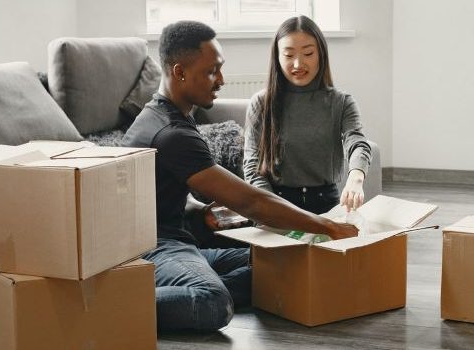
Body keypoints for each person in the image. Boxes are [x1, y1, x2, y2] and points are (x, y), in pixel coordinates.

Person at [122, 20, 358, 331]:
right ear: (179, 72)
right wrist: (326, 226)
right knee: (212, 302)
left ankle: (188, 284)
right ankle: (111, 303)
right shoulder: (172, 132)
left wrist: (200, 211)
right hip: (157, 247)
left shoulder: (166, 114)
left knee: (280, 265)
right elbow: (251, 201)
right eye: (212, 71)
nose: (220, 80)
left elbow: (161, 191)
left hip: (177, 240)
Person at [244, 16, 372, 215]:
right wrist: (273, 210)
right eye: (288, 55)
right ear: (277, 57)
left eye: (308, 53)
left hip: (327, 205)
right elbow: (252, 167)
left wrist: (356, 178)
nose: (298, 64)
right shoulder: (261, 103)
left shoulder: (342, 102)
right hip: (275, 204)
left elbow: (357, 143)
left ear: (320, 54)